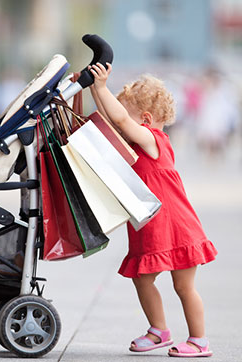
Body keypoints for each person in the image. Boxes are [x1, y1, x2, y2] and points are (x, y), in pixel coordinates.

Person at [88, 62, 218, 358]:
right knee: (142, 278)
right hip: (152, 225)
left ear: (145, 119)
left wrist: (101, 87)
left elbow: (119, 119)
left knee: (183, 286)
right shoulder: (138, 141)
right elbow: (113, 119)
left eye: (129, 120)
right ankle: (159, 330)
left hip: (176, 226)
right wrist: (96, 92)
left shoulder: (152, 140)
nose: (122, 127)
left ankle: (199, 340)